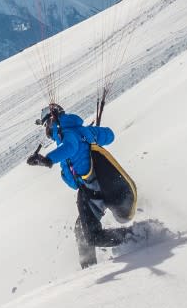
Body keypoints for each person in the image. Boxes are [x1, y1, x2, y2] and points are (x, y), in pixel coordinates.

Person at [25, 102, 135, 263]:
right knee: (80, 229)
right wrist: (92, 135)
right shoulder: (81, 130)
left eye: (45, 126)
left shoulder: (67, 134)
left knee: (92, 236)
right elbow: (109, 135)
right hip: (96, 186)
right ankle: (89, 267)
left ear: (50, 121)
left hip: (90, 190)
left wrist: (47, 160)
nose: (46, 131)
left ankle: (135, 235)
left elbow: (71, 147)